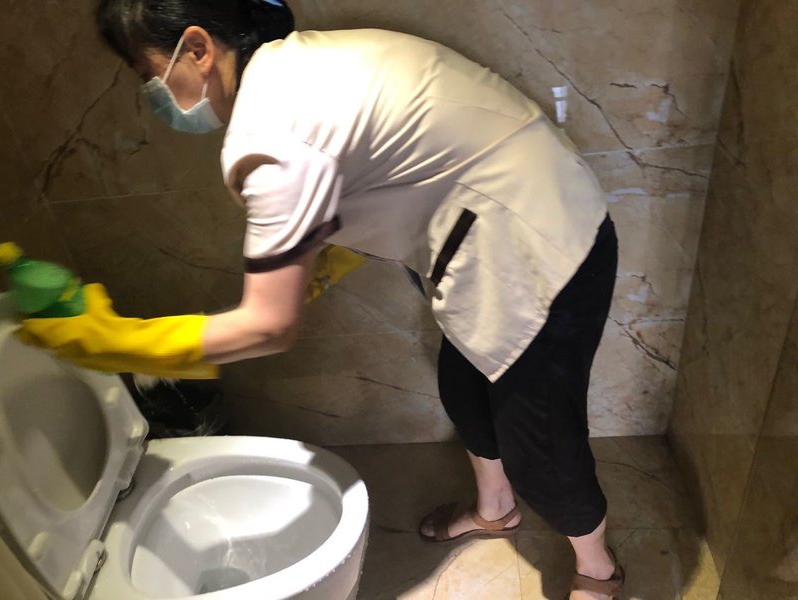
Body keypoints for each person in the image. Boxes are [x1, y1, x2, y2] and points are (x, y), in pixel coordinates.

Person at [31, 1, 625, 597]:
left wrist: (117, 342)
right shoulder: (296, 66)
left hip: (544, 249)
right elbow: (387, 163)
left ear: (197, 49)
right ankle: (496, 510)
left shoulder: (270, 134)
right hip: (502, 224)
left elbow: (268, 326)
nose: (151, 94)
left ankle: (597, 566)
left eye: (147, 73)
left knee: (541, 446)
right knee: (465, 390)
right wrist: (326, 258)